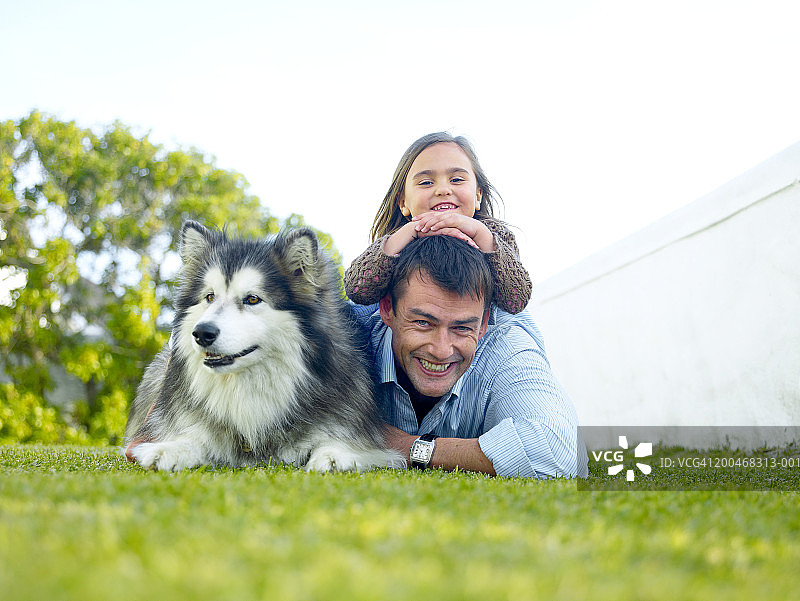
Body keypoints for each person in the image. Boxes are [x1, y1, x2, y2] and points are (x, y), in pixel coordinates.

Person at [352, 233, 586, 478]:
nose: (442, 350)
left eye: (462, 328)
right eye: (423, 323)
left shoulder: (507, 346)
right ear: (387, 309)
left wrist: (407, 446)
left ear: (484, 323)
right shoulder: (347, 338)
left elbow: (559, 452)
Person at [344, 132, 532, 315]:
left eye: (456, 179)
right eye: (426, 182)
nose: (443, 190)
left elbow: (516, 300)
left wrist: (480, 234)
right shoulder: (399, 240)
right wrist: (412, 230)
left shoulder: (493, 234)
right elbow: (358, 289)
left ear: (477, 196)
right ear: (403, 203)